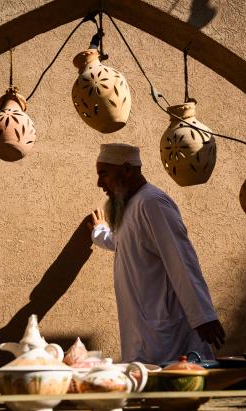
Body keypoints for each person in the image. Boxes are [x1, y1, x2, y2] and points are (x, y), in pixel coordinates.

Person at [88, 143, 225, 364]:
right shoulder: (130, 205)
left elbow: (180, 258)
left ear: (126, 169)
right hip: (143, 328)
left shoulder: (152, 202)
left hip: (168, 328)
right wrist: (99, 231)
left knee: (176, 385)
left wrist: (203, 316)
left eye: (104, 174)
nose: (99, 183)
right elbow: (123, 243)